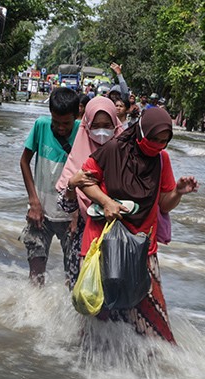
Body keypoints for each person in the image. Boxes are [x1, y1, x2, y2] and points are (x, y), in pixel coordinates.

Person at [76, 107, 199, 342]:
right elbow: (83, 180)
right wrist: (106, 201)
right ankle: (88, 368)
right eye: (154, 139)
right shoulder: (113, 150)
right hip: (102, 244)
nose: (158, 145)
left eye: (164, 141)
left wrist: (179, 192)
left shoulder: (162, 160)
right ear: (141, 131)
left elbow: (164, 204)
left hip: (142, 247)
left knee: (155, 322)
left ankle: (157, 370)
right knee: (96, 317)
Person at [54, 97, 125, 288]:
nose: (102, 131)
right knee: (83, 296)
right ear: (87, 125)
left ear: (116, 125)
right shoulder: (79, 157)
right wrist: (72, 185)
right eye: (96, 125)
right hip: (84, 237)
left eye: (107, 125)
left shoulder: (128, 155)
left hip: (119, 239)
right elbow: (66, 205)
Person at [19, 87, 81, 286]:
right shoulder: (41, 126)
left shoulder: (82, 133)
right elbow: (24, 162)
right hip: (41, 213)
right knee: (35, 277)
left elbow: (89, 175)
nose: (61, 128)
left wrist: (78, 213)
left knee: (72, 278)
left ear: (76, 115)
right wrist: (33, 201)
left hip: (70, 216)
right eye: (56, 122)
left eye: (66, 123)